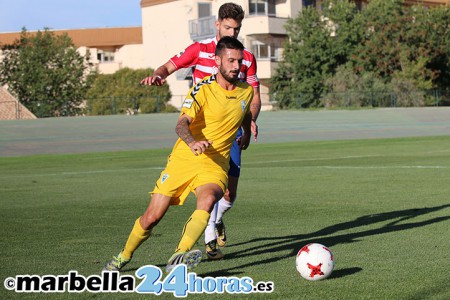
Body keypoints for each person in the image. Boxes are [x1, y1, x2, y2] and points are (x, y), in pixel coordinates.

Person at [103, 36, 254, 273]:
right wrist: (193, 142)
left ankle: (180, 254)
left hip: (214, 164)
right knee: (152, 217)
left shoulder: (246, 92)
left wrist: (246, 132)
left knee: (208, 200)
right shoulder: (202, 90)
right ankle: (123, 256)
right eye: (231, 61)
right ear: (217, 61)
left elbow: (244, 112)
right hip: (184, 159)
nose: (236, 66)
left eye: (240, 61)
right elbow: (181, 124)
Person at [140, 2, 261, 260]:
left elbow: (254, 97)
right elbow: (168, 66)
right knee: (205, 196)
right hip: (199, 132)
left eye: (237, 29)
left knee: (229, 194)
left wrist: (250, 120)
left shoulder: (245, 58)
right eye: (227, 27)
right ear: (217, 24)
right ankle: (208, 241)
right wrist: (158, 75)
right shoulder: (199, 49)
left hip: (229, 132)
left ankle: (215, 221)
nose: (232, 33)